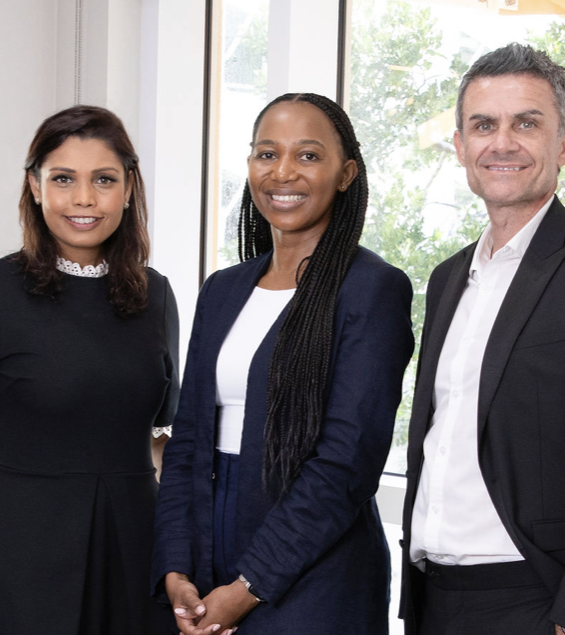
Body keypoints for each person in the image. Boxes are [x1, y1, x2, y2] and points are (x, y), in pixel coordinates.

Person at [399, 43, 565, 635]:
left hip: (541, 603)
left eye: (527, 123)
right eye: (483, 125)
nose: (502, 143)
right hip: (437, 603)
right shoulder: (448, 279)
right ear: (460, 147)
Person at [0, 105, 179, 635]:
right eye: (63, 179)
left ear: (127, 187)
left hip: (137, 552)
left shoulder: (156, 294)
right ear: (34, 186)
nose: (84, 199)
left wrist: (176, 551)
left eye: (103, 179)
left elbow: (162, 442)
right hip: (21, 556)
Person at [153, 93, 415, 635]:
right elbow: (187, 442)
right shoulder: (223, 291)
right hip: (206, 559)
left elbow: (347, 464)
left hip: (314, 569)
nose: (283, 172)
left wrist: (250, 585)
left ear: (346, 174)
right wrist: (175, 566)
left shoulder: (372, 290)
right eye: (266, 153)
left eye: (308, 156)